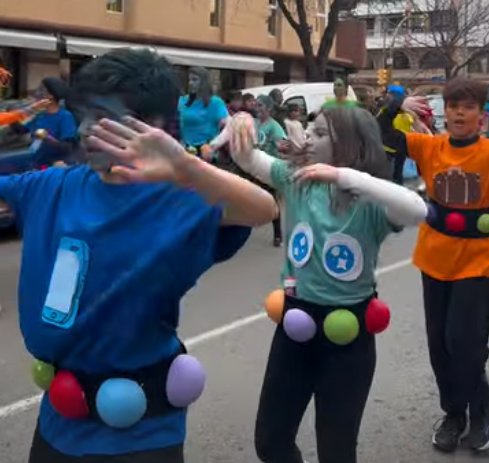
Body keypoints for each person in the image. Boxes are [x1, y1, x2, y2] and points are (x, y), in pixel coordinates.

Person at [0, 48, 277, 463]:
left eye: (104, 117)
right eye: (85, 114)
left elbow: (263, 209)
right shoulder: (52, 187)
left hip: (142, 437)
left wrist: (185, 167)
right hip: (58, 424)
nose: (87, 129)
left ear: (152, 128)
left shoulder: (179, 199)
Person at [212, 106, 428, 463]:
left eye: (322, 133)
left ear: (351, 144)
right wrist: (241, 122)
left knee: (336, 451)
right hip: (294, 329)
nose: (309, 137)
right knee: (270, 442)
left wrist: (344, 176)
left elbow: (417, 210)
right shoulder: (295, 178)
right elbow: (247, 158)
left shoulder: (370, 201)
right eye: (310, 130)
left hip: (349, 338)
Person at [378, 77, 489, 454]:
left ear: (480, 116)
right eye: (454, 106)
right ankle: (453, 414)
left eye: (468, 107)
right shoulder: (429, 147)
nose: (459, 113)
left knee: (465, 341)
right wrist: (394, 106)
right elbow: (377, 134)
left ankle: (480, 412)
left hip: (478, 262)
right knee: (439, 342)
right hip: (435, 258)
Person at [11, 77, 78, 166]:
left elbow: (67, 148)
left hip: (57, 165)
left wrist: (48, 138)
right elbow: (21, 131)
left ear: (50, 96)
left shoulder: (65, 116)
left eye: (41, 89)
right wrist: (11, 117)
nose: (36, 93)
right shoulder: (41, 115)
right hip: (38, 162)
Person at [177, 66, 229, 156]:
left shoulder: (215, 102)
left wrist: (213, 145)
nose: (190, 83)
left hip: (206, 153)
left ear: (204, 82)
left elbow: (230, 126)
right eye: (189, 80)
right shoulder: (182, 101)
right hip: (185, 151)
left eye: (195, 80)